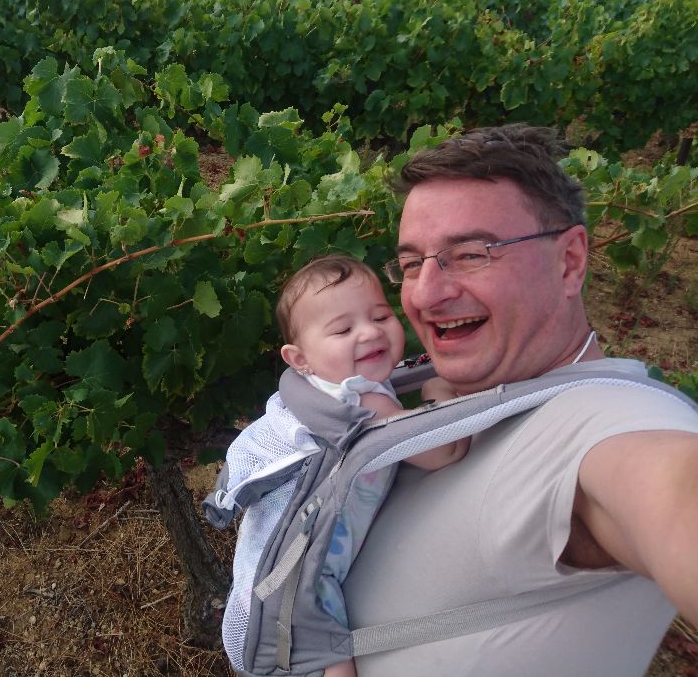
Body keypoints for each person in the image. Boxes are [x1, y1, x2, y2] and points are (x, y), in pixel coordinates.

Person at [340, 124, 698, 676]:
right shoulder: (464, 396)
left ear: (570, 262)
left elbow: (669, 491)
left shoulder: (607, 424)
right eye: (411, 264)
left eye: (471, 254)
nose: (425, 294)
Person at [220, 254, 469, 677]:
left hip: (283, 573)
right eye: (343, 329)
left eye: (380, 316)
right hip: (305, 577)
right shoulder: (359, 403)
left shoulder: (320, 390)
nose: (369, 332)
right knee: (333, 659)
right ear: (299, 358)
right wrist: (439, 391)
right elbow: (442, 452)